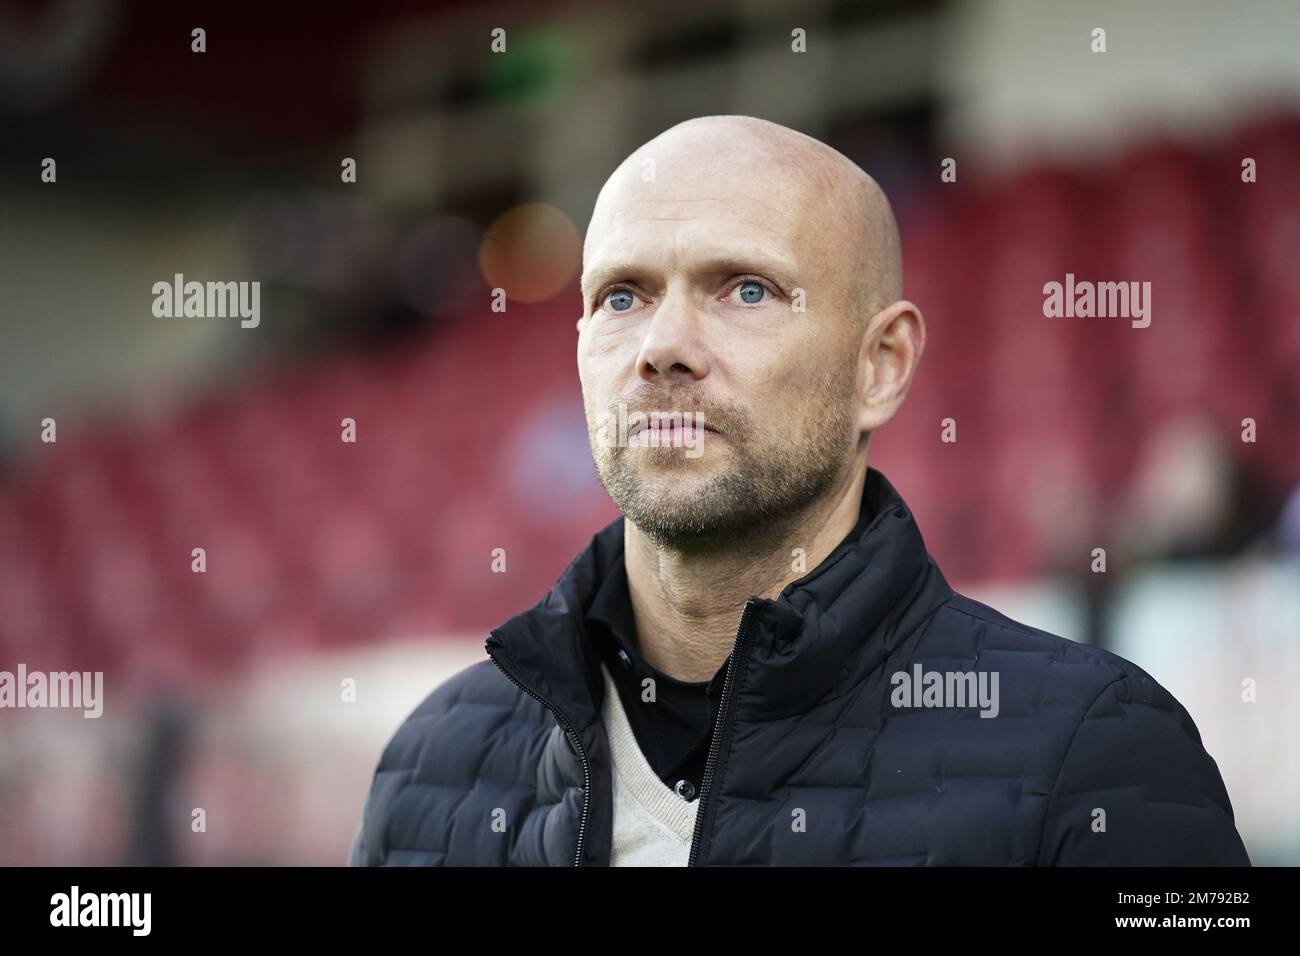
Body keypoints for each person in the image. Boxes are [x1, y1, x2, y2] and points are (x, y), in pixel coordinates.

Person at [349, 115, 1249, 866]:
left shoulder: (1099, 755)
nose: (662, 345)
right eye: (622, 296)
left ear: (881, 367)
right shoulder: (433, 764)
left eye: (745, 289)